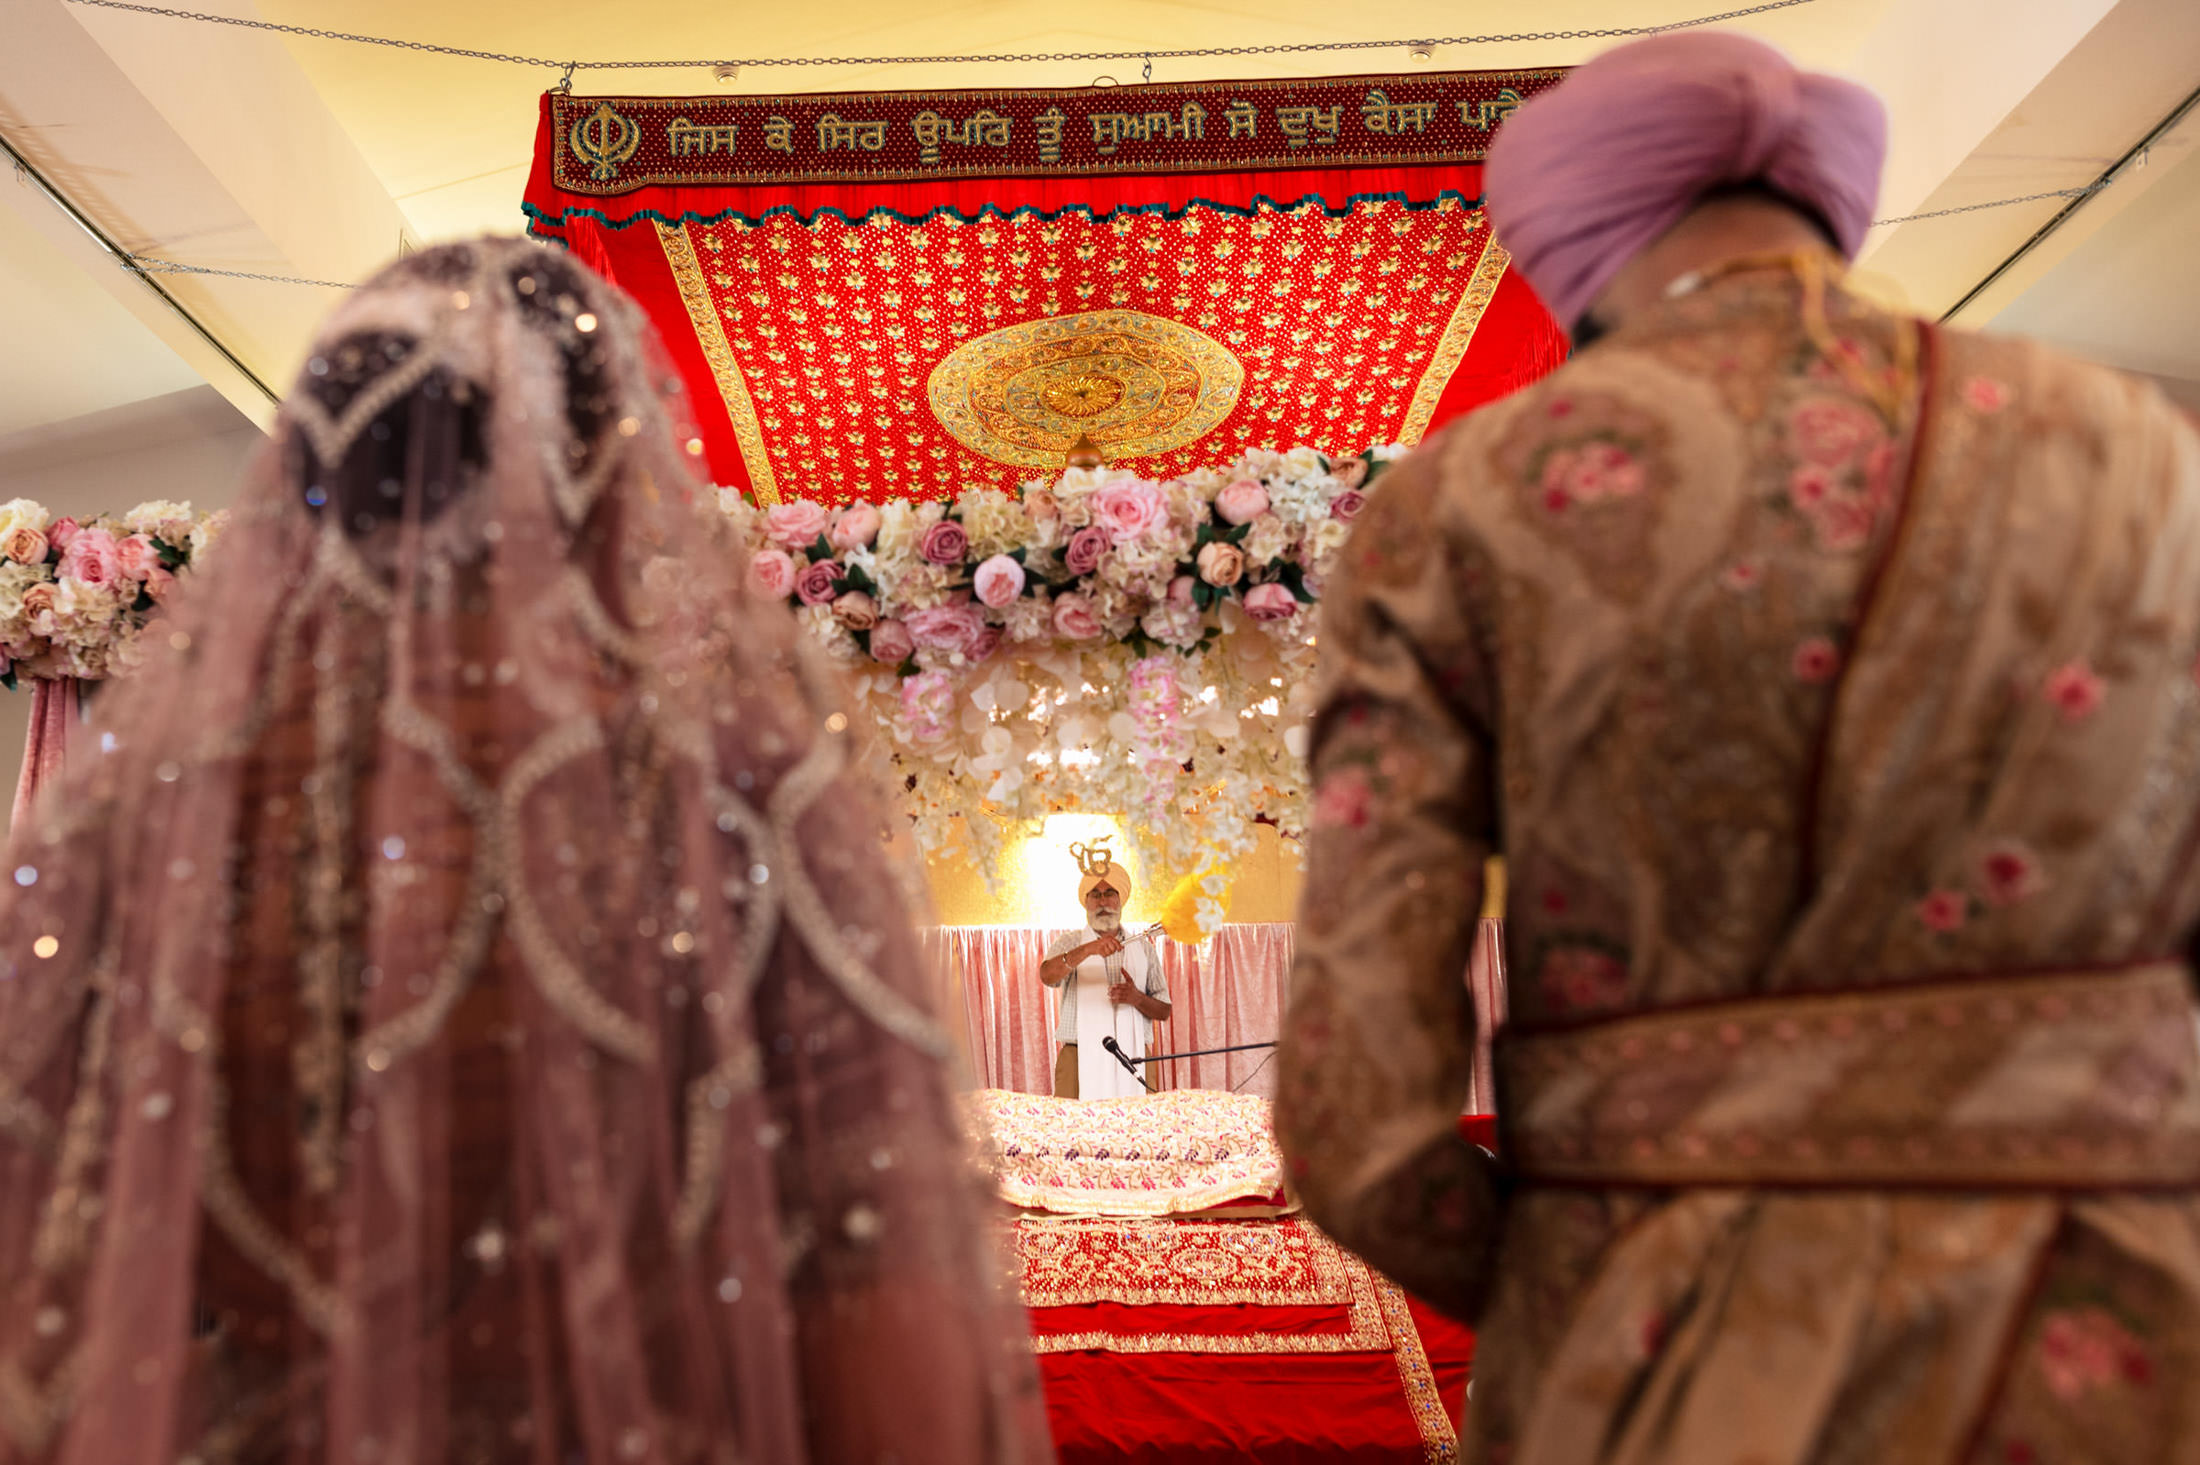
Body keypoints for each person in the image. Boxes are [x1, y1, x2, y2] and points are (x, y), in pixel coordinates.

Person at [1274, 31, 2200, 1465]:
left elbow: (1358, 1129)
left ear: (1576, 235)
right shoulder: (2145, 456)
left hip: (1673, 1373)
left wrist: (1591, 1284)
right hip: (2113, 1354)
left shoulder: (1472, 499)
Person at [0, 240, 1053, 1465]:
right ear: (615, 481)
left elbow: (46, 1281)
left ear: (315, 482)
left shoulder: (145, 819)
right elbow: (878, 1294)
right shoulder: (737, 798)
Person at [1038, 844, 1170, 1100]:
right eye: (1095, 895)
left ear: (1121, 900)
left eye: (1110, 893)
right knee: (1074, 1135)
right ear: (1085, 902)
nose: (1103, 901)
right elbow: (1047, 976)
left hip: (1134, 1057)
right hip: (1078, 1057)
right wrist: (1088, 949)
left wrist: (1137, 998)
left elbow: (1164, 1010)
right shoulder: (1070, 942)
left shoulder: (1142, 947)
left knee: (1137, 1132)